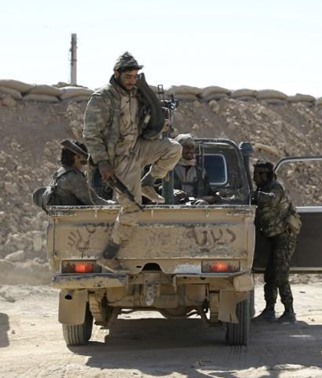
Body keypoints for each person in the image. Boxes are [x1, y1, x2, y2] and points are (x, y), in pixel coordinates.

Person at [83, 52, 182, 272]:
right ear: (116, 74)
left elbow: (146, 119)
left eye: (135, 76)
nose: (132, 80)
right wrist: (102, 162)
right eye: (128, 76)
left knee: (174, 149)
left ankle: (149, 182)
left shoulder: (137, 95)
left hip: (137, 148)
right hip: (118, 158)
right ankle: (109, 254)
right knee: (132, 207)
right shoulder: (103, 98)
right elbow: (91, 134)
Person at [252, 160, 301, 324]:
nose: (254, 178)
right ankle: (269, 309)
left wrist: (252, 195)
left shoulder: (275, 187)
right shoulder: (261, 189)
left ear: (265, 175)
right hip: (271, 237)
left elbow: (272, 200)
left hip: (284, 237)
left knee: (280, 274)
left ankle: (289, 311)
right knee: (270, 274)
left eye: (257, 174)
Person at [36, 140, 113, 210]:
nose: (84, 163)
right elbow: (93, 201)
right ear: (76, 157)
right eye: (83, 160)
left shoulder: (59, 173)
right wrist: (115, 205)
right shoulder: (73, 177)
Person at [172, 133, 220, 205]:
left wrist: (216, 194)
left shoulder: (200, 172)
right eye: (186, 147)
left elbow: (208, 189)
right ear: (178, 148)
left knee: (202, 204)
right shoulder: (169, 168)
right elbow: (158, 187)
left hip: (194, 204)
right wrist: (172, 191)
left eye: (192, 147)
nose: (190, 150)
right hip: (173, 204)